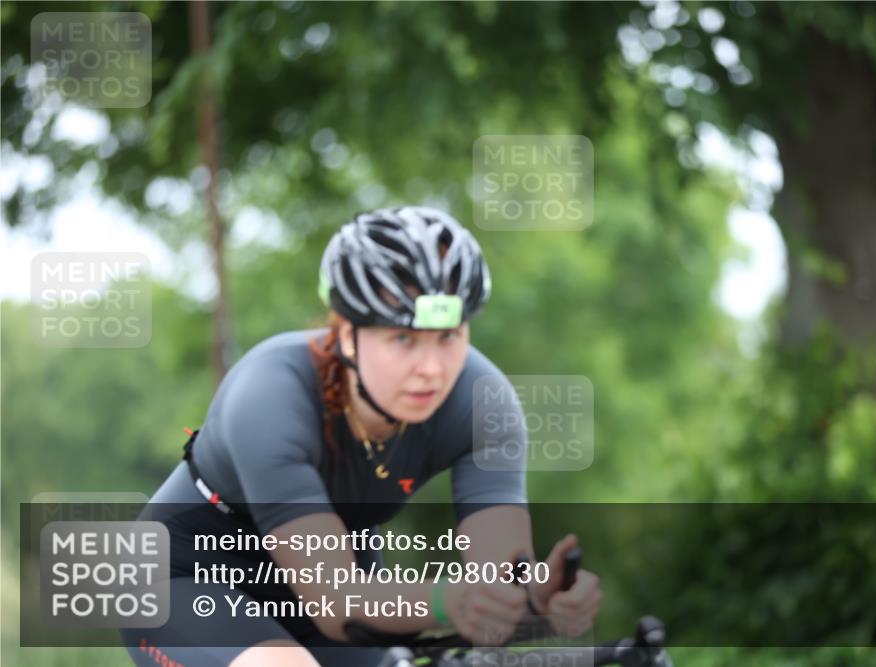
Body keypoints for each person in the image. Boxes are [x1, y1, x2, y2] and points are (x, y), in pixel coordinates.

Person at [119, 206, 602, 667]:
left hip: (340, 587)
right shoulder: (270, 394)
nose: (431, 369)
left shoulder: (484, 403)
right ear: (348, 334)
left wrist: (536, 596)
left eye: (450, 336)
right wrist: (447, 599)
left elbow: (498, 574)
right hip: (185, 580)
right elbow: (337, 602)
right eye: (403, 339)